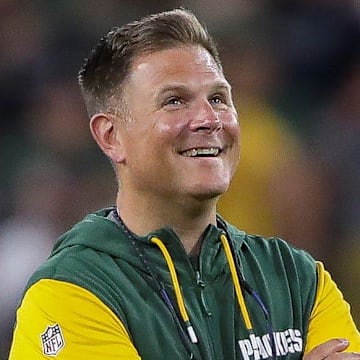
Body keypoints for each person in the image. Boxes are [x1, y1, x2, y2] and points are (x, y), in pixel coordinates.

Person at [8, 8, 360, 360]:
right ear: (111, 136)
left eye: (218, 99)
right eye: (174, 101)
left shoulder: (298, 280)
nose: (208, 119)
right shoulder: (72, 290)